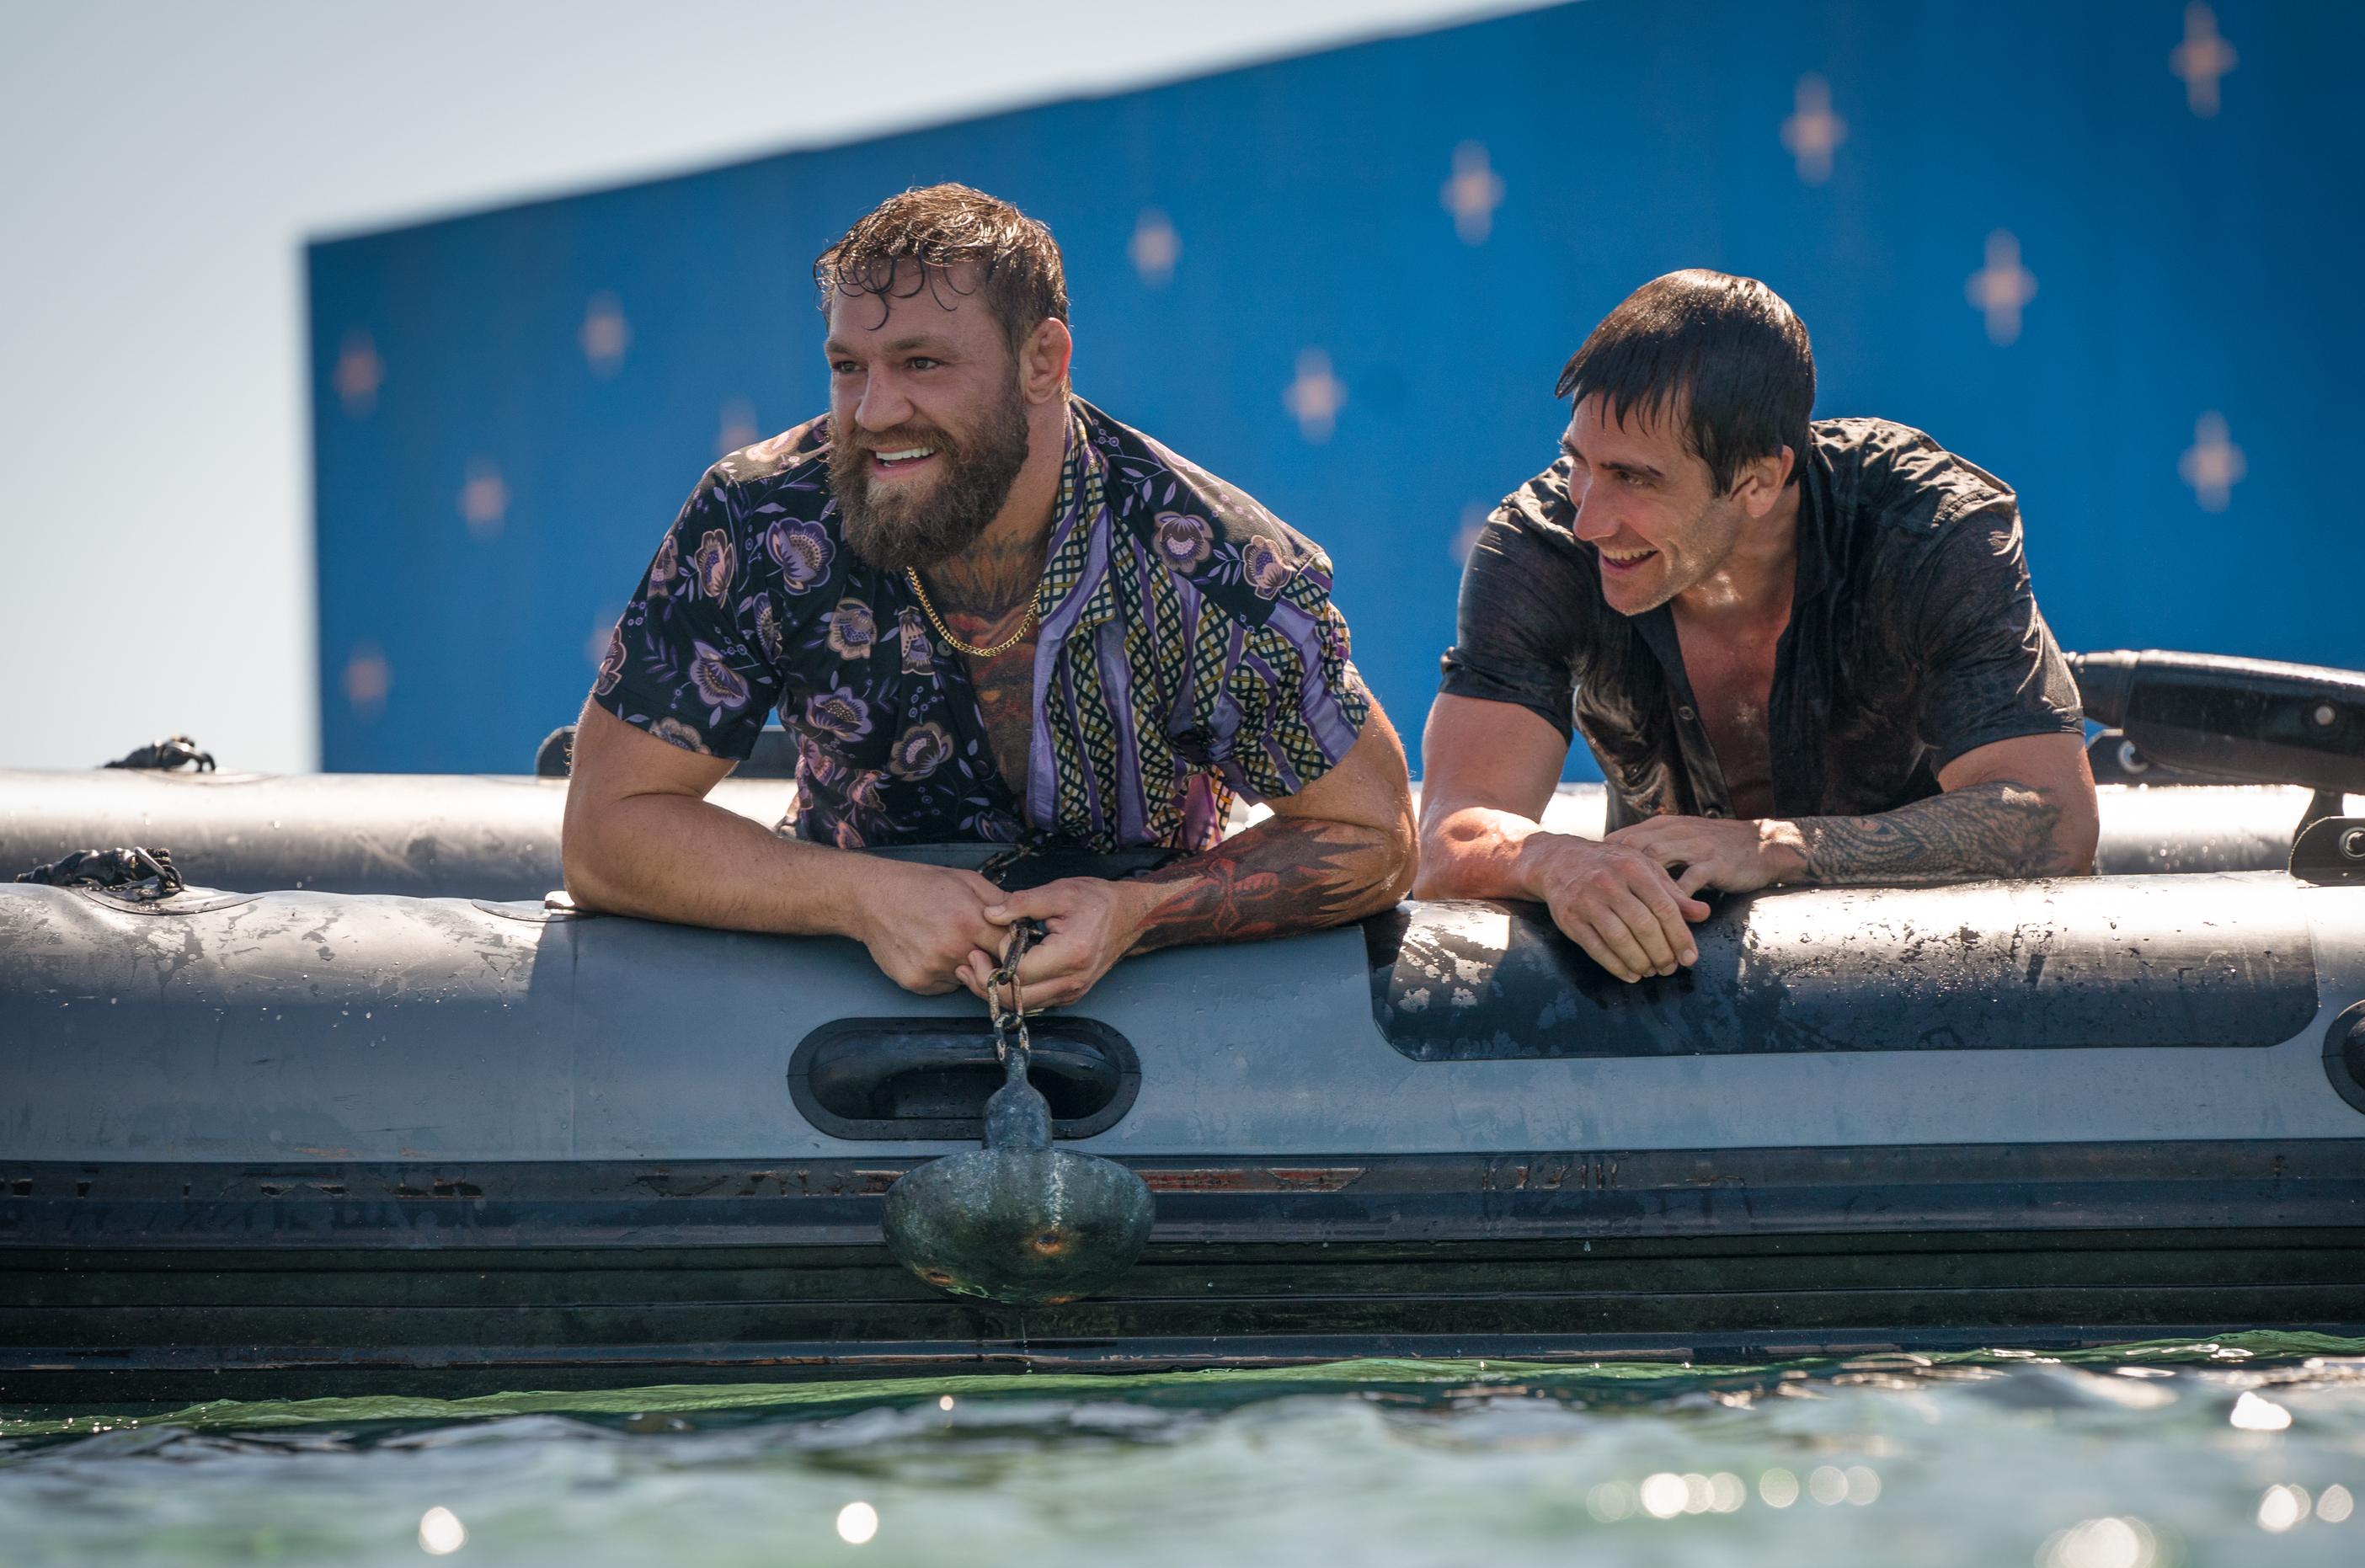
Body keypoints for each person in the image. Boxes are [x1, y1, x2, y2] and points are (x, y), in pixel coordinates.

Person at [563, 184, 1415, 1007]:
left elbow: (1375, 834)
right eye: (847, 366)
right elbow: (607, 830)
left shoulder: (1208, 560)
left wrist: (1137, 915)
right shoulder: (760, 518)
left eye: (922, 363)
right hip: (830, 1006)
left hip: (1161, 1011)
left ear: (1042, 360)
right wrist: (861, 898)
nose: (875, 409)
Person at [1417, 269, 2097, 983]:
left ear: (1760, 481)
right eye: (1577, 463)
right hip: (1669, 987)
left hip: (1950, 981)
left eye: (1636, 478)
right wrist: (1553, 863)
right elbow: (1448, 838)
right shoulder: (1542, 546)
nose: (1589, 518)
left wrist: (1778, 846)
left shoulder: (1926, 529)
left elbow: (2055, 822)